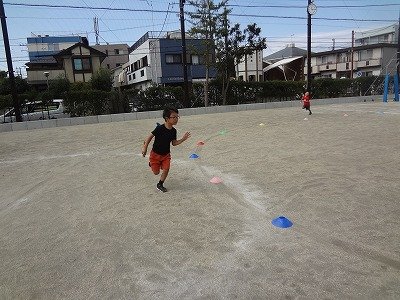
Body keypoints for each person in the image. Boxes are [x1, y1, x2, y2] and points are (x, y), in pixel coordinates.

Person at [142, 107, 191, 192]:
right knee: (156, 172)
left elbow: (174, 143)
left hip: (166, 155)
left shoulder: (173, 131)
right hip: (155, 155)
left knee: (166, 169)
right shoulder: (160, 128)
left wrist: (183, 139)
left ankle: (160, 184)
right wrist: (145, 147)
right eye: (174, 117)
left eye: (177, 117)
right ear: (167, 118)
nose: (176, 119)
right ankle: (152, 164)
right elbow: (150, 137)